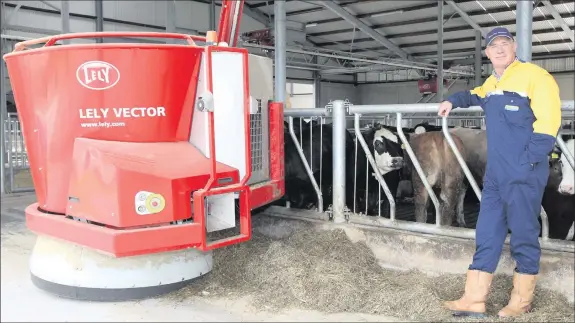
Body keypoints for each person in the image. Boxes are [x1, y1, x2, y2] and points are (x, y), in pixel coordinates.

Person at [437, 27, 562, 318]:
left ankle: (521, 301)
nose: (500, 49)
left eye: (505, 44)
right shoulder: (492, 83)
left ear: (515, 47)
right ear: (487, 53)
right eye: (494, 46)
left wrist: (528, 161)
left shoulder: (536, 77)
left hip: (523, 172)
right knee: (487, 231)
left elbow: (549, 123)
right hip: (495, 174)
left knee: (523, 233)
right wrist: (451, 101)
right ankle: (474, 299)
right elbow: (473, 95)